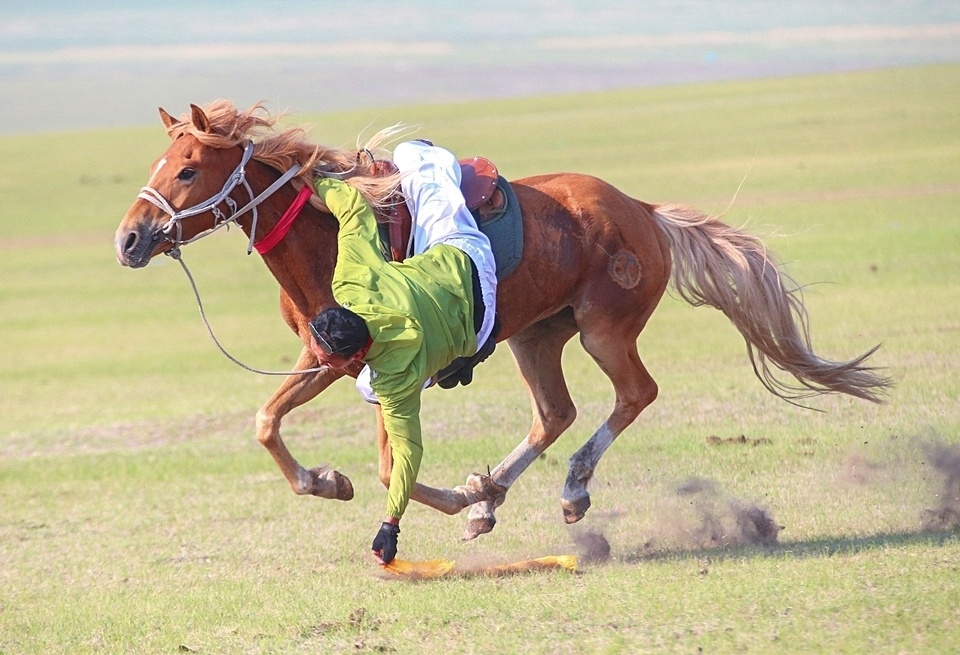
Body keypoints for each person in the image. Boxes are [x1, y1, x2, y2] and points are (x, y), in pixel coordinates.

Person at [307, 140, 498, 565]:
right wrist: (314, 181)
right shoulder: (352, 283)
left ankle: (442, 364)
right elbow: (352, 208)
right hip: (449, 260)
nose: (319, 361)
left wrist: (391, 523)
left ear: (353, 355)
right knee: (413, 158)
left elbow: (409, 452)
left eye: (325, 359)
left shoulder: (394, 380)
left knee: (366, 387)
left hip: (475, 296)